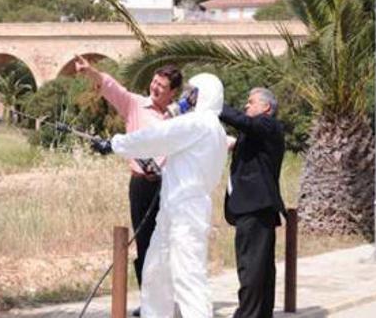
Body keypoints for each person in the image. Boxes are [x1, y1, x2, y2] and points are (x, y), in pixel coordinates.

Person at [91, 73, 228, 318]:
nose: (187, 98)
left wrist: (115, 144)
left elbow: (157, 137)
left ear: (204, 95)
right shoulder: (211, 128)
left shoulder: (199, 124)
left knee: (188, 277)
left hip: (186, 212)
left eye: (192, 93)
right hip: (173, 209)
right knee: (155, 275)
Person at [74, 57, 182, 316]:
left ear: (173, 92)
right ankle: (149, 303)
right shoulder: (135, 104)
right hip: (142, 186)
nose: (155, 88)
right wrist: (91, 72)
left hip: (167, 186)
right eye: (154, 82)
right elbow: (111, 88)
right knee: (144, 243)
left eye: (162, 86)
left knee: (168, 245)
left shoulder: (177, 116)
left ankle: (165, 301)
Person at [220, 88, 286, 318]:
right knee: (261, 271)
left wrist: (213, 103)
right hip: (256, 208)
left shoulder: (268, 125)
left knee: (251, 269)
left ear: (266, 107)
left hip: (256, 207)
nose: (246, 106)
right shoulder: (257, 135)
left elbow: (243, 122)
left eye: (251, 102)